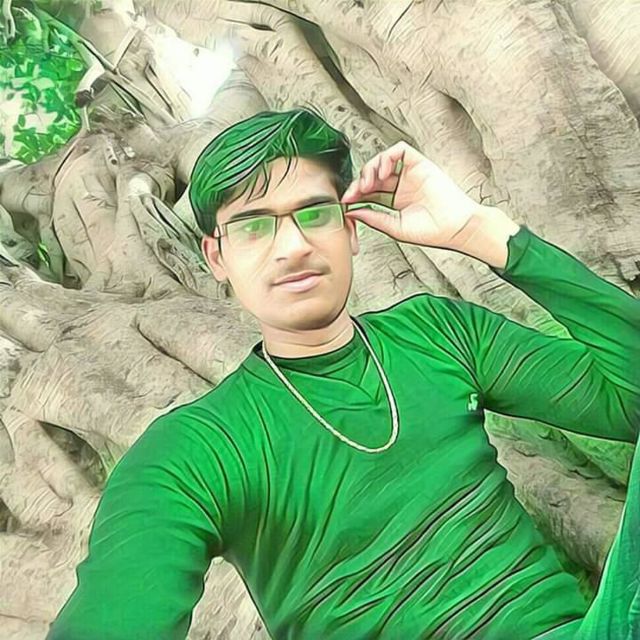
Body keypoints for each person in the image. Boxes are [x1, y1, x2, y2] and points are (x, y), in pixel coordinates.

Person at [47, 108, 639, 639]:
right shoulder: (194, 451)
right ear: (217, 258)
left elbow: (629, 400)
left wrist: (480, 233)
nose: (293, 247)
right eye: (253, 225)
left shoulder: (439, 333)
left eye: (314, 213)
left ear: (351, 230)